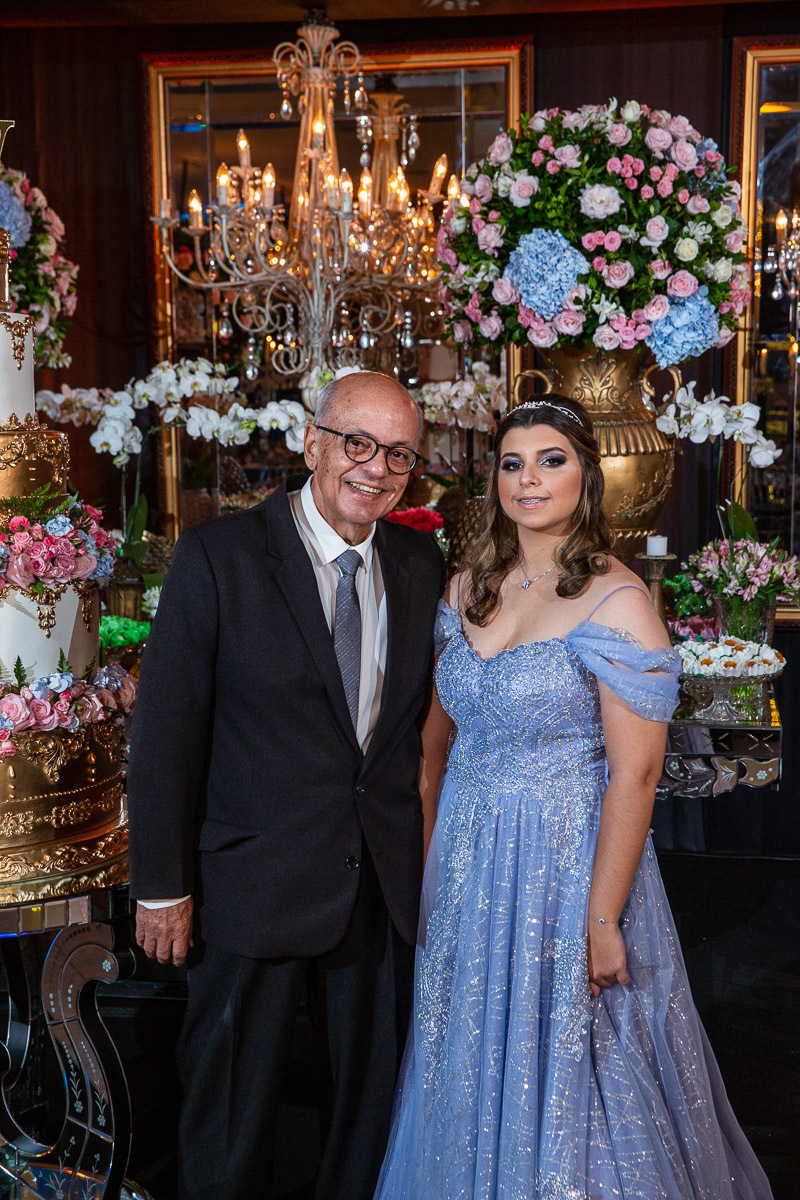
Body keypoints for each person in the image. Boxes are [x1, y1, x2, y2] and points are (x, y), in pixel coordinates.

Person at [375, 396, 774, 1200]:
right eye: (512, 463)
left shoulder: (617, 601)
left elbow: (635, 775)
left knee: (572, 1070)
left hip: (564, 870)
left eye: (550, 460)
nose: (528, 479)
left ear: (586, 475)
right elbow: (431, 751)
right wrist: (426, 878)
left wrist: (602, 921)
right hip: (466, 871)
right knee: (467, 1058)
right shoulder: (464, 589)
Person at [127, 371, 446, 1200]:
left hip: (377, 890)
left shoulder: (419, 563)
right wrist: (162, 886)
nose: (376, 468)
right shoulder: (219, 556)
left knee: (367, 1125)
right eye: (358, 443)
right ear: (313, 443)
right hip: (249, 884)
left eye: (399, 454)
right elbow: (166, 732)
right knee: (230, 1120)